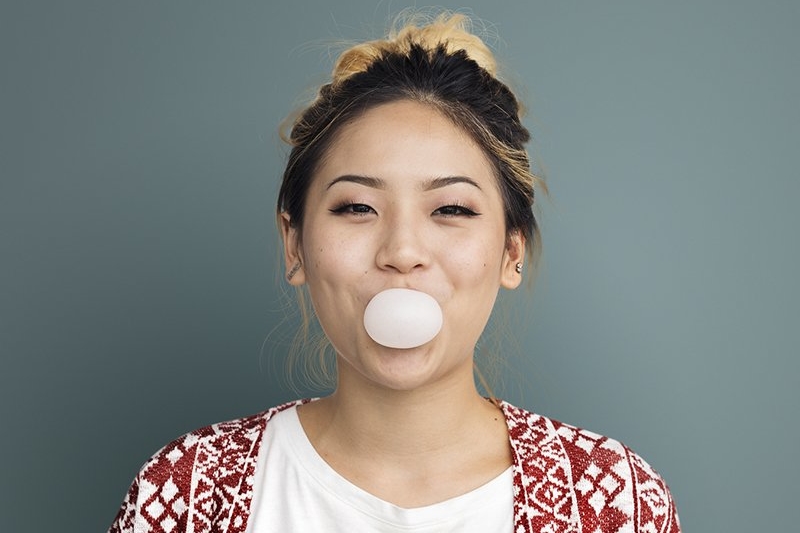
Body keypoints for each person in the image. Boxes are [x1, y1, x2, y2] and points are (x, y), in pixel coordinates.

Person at [109, 12, 680, 533]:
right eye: (356, 208)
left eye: (451, 210)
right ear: (295, 246)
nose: (402, 251)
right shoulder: (186, 494)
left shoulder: (616, 505)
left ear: (511, 251)